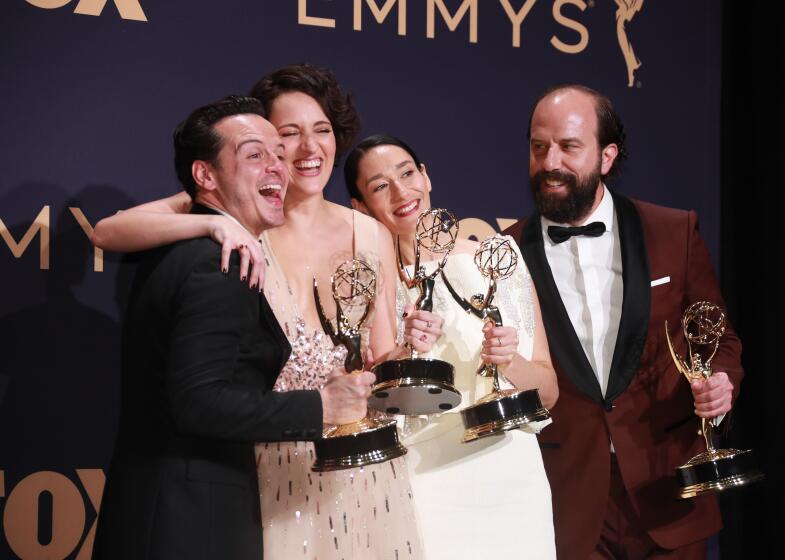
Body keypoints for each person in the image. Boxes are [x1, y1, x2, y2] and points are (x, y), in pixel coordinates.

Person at [92, 67, 424, 559]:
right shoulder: (229, 216)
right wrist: (207, 228)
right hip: (266, 471)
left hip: (355, 470)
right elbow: (106, 232)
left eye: (322, 130)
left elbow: (374, 363)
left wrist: (409, 350)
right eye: (287, 135)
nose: (307, 149)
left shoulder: (368, 231)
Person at [504, 84, 744, 559]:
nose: (550, 162)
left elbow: (718, 338)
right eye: (539, 146)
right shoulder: (505, 252)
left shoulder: (674, 232)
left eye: (569, 146)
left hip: (669, 489)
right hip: (567, 497)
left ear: (607, 156)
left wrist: (721, 383)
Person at [343, 134, 559, 559]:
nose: (402, 192)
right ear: (360, 207)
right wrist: (403, 352)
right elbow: (359, 404)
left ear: (426, 177)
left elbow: (548, 391)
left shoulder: (496, 259)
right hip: (423, 477)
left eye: (407, 173)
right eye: (380, 186)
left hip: (510, 471)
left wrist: (508, 359)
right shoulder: (364, 287)